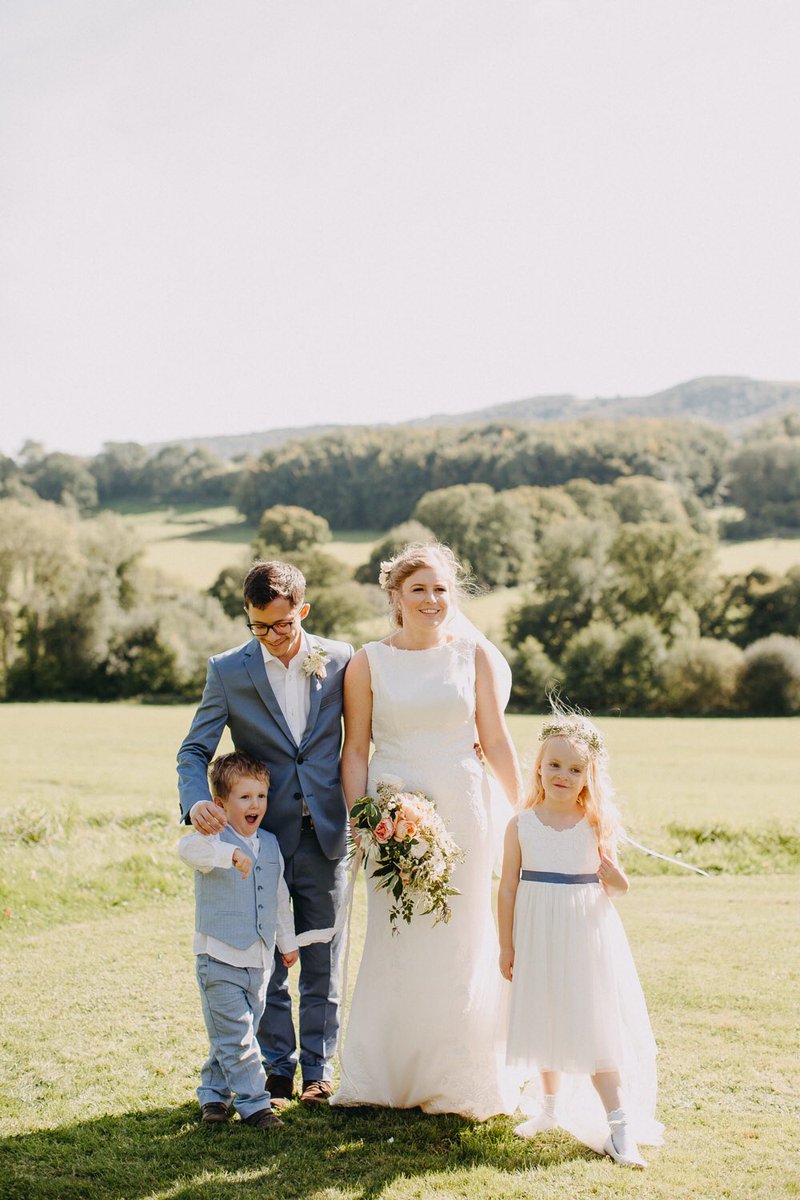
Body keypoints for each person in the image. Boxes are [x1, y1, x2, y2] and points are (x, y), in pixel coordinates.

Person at [330, 543, 523, 1119]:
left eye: (441, 589)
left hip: (464, 809)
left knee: (463, 936)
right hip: (391, 813)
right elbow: (355, 749)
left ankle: (459, 1076)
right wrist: (364, 819)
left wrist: (525, 809)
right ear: (396, 598)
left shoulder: (473, 657)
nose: (432, 600)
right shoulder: (367, 663)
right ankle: (389, 1074)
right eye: (419, 589)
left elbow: (495, 741)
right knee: (397, 937)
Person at [177, 559, 353, 1107]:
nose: (273, 638)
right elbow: (194, 750)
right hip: (262, 839)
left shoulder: (343, 659)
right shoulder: (228, 671)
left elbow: (375, 731)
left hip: (326, 830)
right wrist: (198, 802)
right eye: (259, 627)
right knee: (269, 958)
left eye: (283, 625)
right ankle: (277, 1069)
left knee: (322, 952)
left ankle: (319, 1070)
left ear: (302, 610)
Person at [497, 710, 664, 1168]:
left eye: (574, 769)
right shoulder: (521, 824)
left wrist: (616, 877)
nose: (563, 776)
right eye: (554, 765)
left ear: (588, 776)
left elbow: (616, 887)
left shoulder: (594, 823)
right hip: (536, 932)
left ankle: (620, 1127)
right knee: (543, 1015)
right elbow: (508, 886)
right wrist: (507, 945)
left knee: (594, 1026)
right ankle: (549, 1108)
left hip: (584, 937)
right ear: (539, 767)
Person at [177, 751, 299, 1130]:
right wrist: (228, 853)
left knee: (229, 1033)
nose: (255, 805)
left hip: (259, 961)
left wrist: (287, 941)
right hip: (219, 957)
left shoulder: (270, 842)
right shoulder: (209, 840)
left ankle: (213, 1094)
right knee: (239, 1037)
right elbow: (186, 849)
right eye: (245, 797)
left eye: (260, 796)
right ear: (220, 803)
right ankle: (255, 1105)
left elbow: (279, 896)